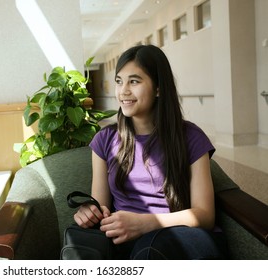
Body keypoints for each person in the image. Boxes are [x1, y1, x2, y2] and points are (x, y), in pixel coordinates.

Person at [73, 44, 228, 259]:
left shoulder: (191, 137)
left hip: (182, 239)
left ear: (158, 88)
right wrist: (89, 213)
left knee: (150, 250)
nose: (123, 91)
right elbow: (101, 208)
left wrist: (146, 223)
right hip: (129, 243)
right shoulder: (104, 140)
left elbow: (204, 215)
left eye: (134, 81)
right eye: (119, 81)